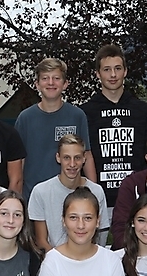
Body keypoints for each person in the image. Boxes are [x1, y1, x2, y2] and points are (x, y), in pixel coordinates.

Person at [81, 45, 147, 212]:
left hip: (136, 199)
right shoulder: (85, 112)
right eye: (107, 69)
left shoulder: (141, 110)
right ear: (98, 74)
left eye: (118, 68)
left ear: (125, 71)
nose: (113, 75)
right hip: (98, 200)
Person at [15, 58, 96, 197]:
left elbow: (86, 155)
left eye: (56, 78)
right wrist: (17, 200)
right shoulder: (25, 118)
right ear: (37, 84)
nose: (51, 83)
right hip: (34, 197)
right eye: (45, 78)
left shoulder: (77, 115)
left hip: (72, 197)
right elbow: (18, 163)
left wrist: (93, 193)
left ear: (65, 84)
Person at [28, 134, 109, 249]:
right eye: (66, 158)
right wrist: (59, 258)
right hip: (54, 257)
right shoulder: (41, 192)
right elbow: (41, 241)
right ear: (58, 158)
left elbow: (101, 235)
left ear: (84, 158)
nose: (72, 164)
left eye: (77, 158)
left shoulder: (97, 191)